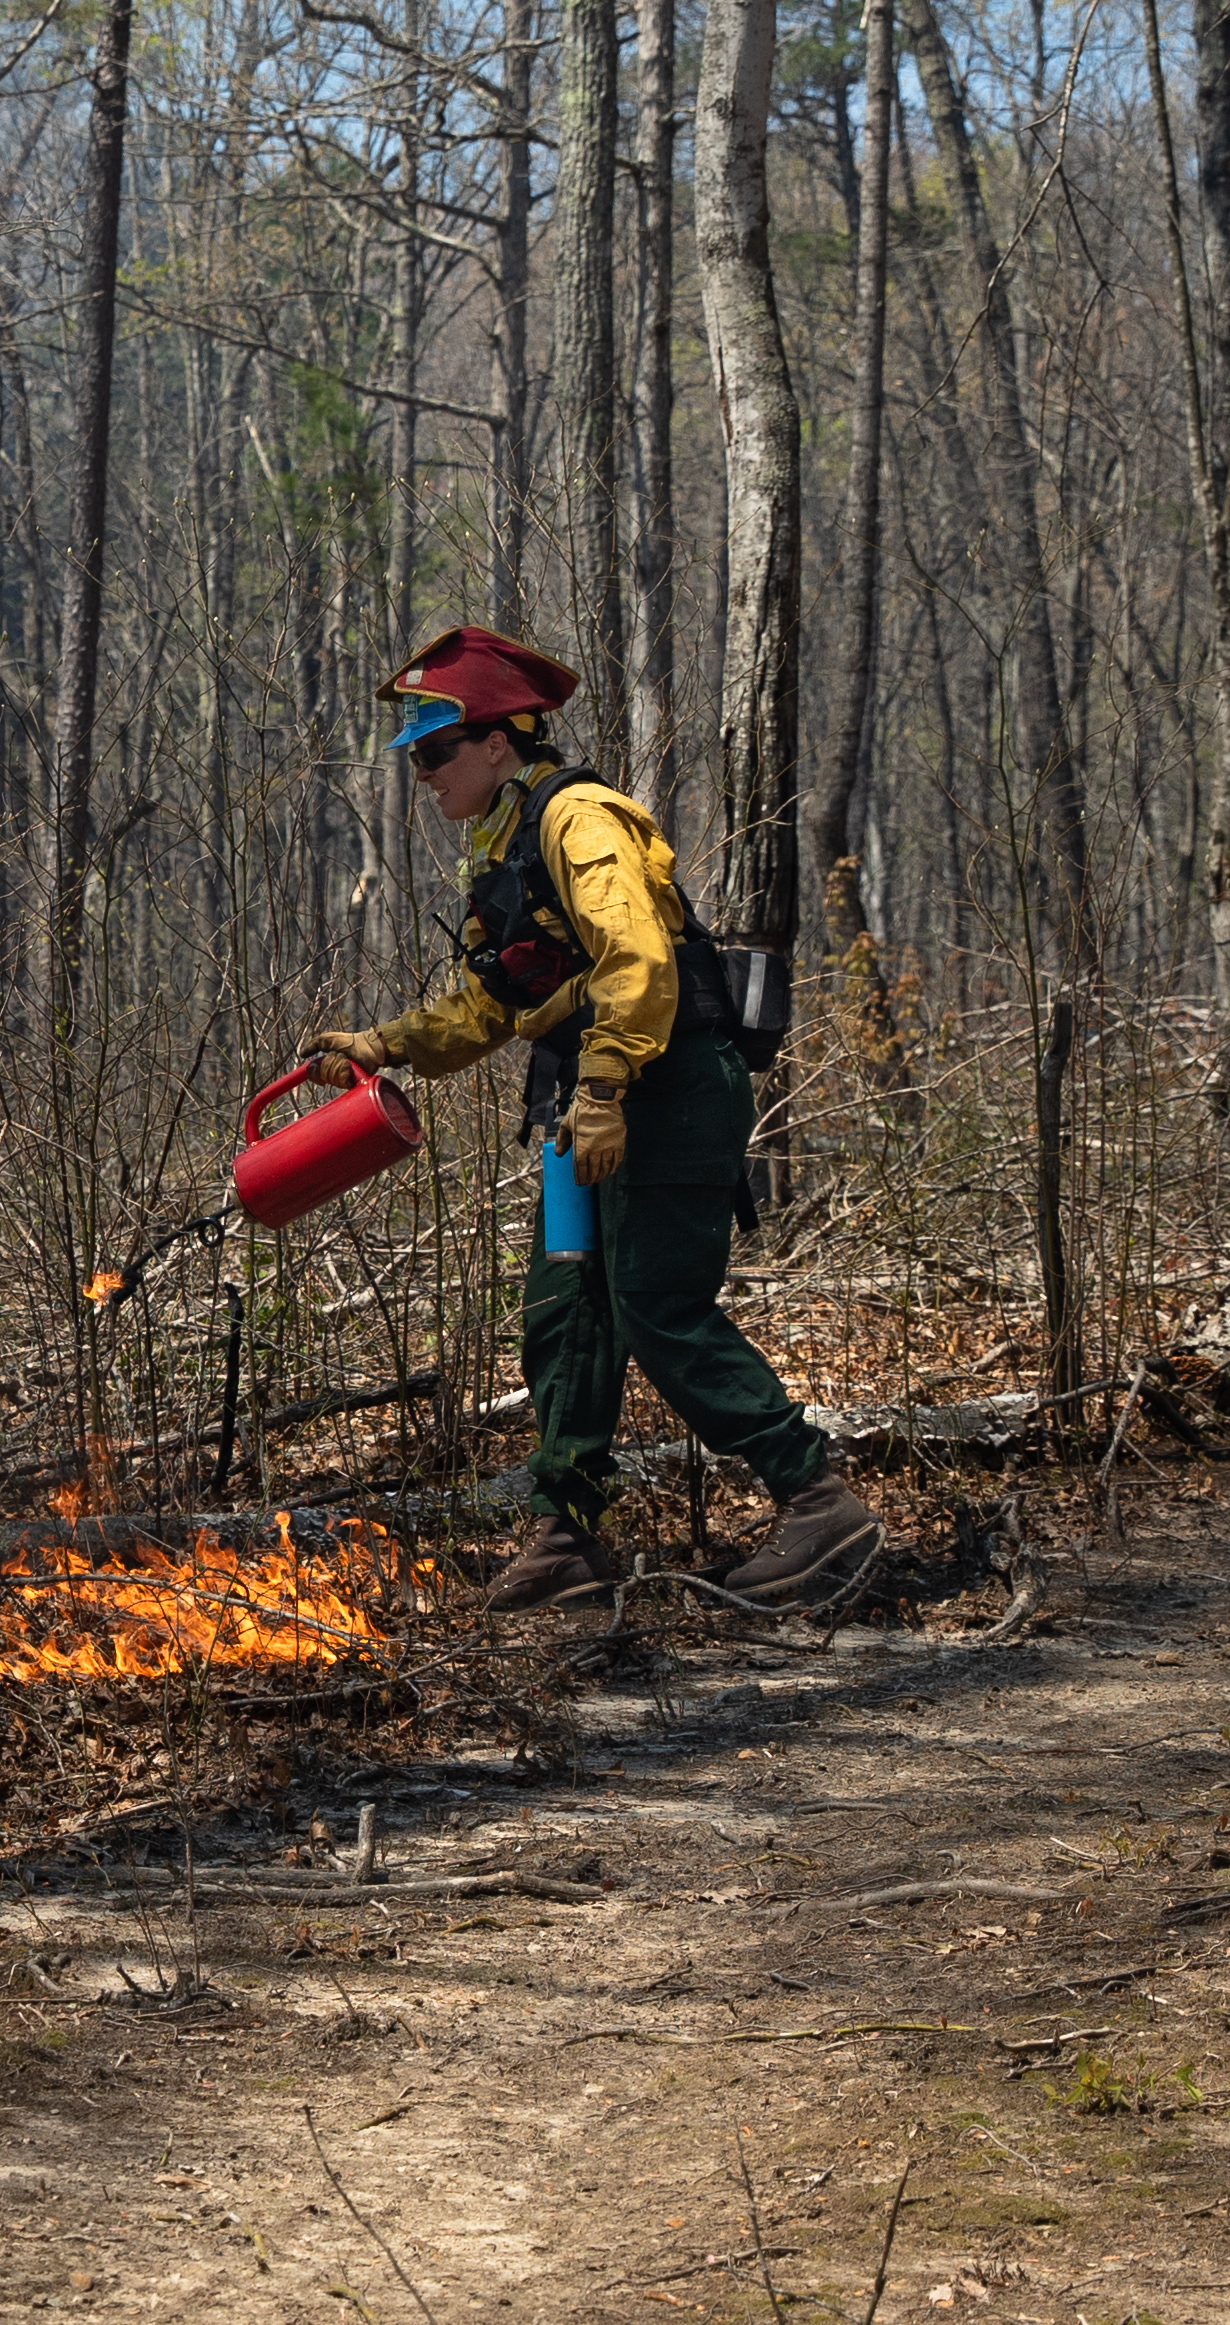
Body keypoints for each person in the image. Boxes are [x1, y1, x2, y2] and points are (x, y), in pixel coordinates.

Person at [297, 624, 877, 1617]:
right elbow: (486, 1004)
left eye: (437, 750)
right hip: (586, 1114)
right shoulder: (503, 846)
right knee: (568, 1312)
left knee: (657, 1304)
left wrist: (605, 1088)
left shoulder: (578, 819)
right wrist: (382, 1045)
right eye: (416, 755)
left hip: (661, 1091)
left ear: (498, 741)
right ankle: (565, 1533)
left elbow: (640, 965)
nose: (423, 774)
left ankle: (817, 1500)